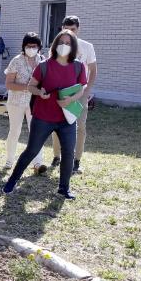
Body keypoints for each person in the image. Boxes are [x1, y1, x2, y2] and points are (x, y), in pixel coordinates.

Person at [3, 29, 88, 200]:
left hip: (66, 119)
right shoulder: (44, 66)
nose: (64, 46)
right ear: (55, 45)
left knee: (68, 153)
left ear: (73, 46)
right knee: (32, 150)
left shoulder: (78, 66)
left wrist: (71, 99)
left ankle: (64, 188)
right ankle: (12, 180)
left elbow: (82, 87)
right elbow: (31, 86)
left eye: (68, 43)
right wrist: (40, 92)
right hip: (43, 117)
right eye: (61, 42)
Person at [51, 15, 97, 173]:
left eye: (73, 29)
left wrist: (87, 91)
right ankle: (57, 156)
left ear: (78, 29)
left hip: (79, 93)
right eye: (66, 29)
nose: (70, 32)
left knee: (79, 126)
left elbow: (93, 70)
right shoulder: (58, 45)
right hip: (60, 92)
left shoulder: (87, 47)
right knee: (56, 124)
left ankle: (76, 160)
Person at [4, 33, 46, 171]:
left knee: (36, 132)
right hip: (16, 101)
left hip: (35, 102)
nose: (31, 49)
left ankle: (38, 162)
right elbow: (9, 84)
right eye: (29, 46)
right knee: (15, 131)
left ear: (39, 47)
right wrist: (28, 87)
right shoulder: (16, 61)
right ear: (24, 46)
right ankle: (9, 160)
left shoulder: (42, 61)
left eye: (34, 46)